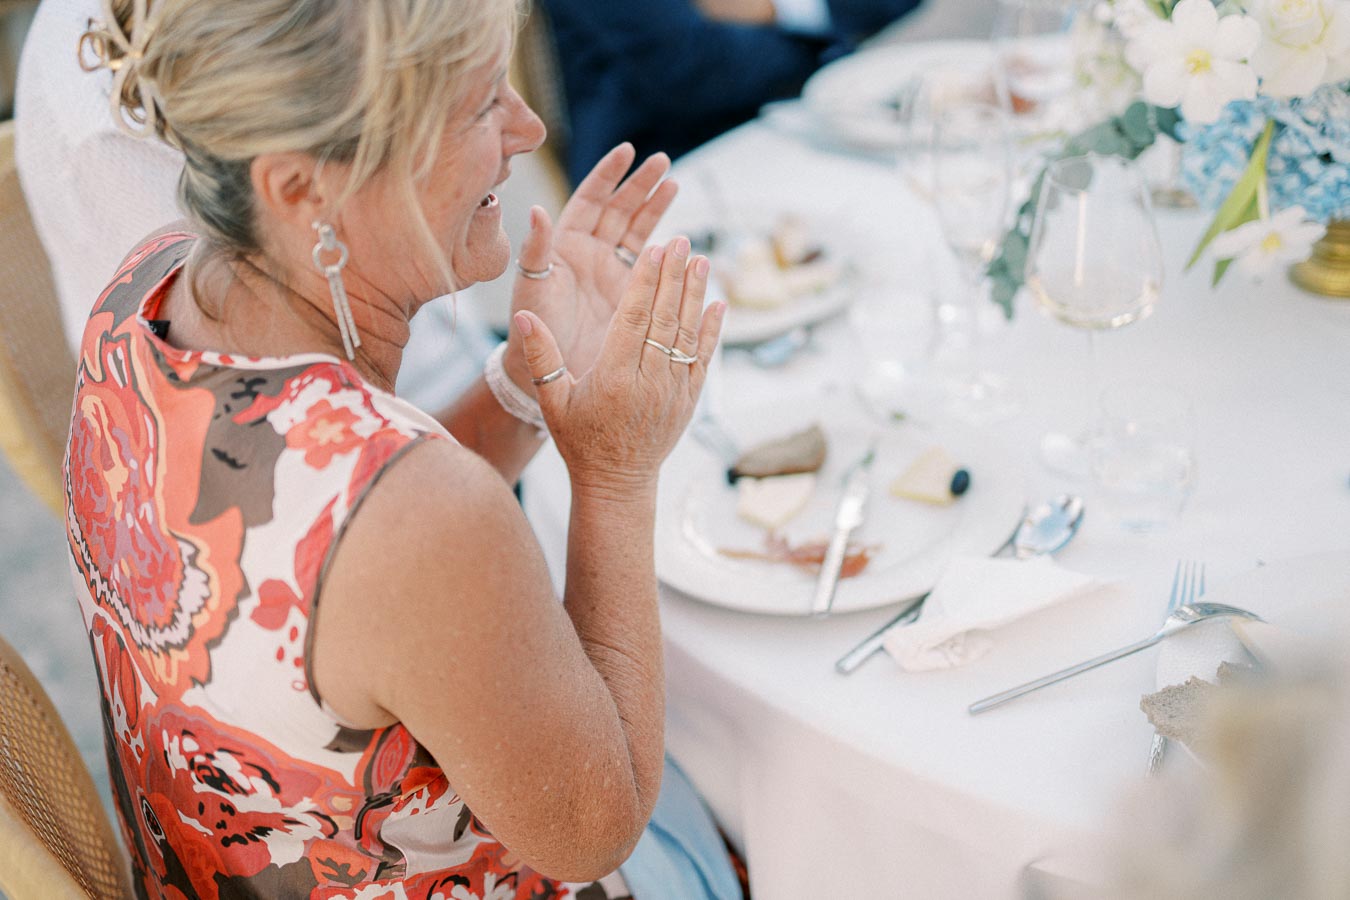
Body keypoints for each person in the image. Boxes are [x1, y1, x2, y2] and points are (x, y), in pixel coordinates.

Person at [63, 1, 738, 897]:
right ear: (302, 188)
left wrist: (529, 387)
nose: (529, 128)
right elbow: (595, 830)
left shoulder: (142, 291)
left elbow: (328, 559)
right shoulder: (425, 515)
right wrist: (616, 474)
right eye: (475, 107)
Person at [14, 0, 495, 412]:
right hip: (401, 425)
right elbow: (290, 429)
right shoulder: (102, 126)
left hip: (459, 353)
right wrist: (520, 394)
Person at [541, 0, 923, 184]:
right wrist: (816, 45)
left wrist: (781, 9)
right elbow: (693, 68)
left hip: (815, 129)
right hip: (669, 163)